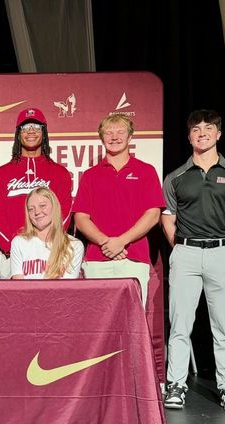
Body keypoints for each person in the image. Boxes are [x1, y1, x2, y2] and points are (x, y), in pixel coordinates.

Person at [160, 110, 225, 412]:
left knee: (223, 326)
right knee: (179, 325)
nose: (202, 133)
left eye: (208, 128)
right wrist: (183, 248)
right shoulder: (175, 177)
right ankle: (176, 384)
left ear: (218, 134)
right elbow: (168, 219)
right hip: (185, 253)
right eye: (196, 129)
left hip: (222, 254)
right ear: (189, 137)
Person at [73, 114, 165, 306]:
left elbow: (153, 214)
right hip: (98, 259)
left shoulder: (146, 171)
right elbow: (81, 219)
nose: (114, 137)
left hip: (134, 259)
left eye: (120, 132)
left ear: (130, 137)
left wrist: (121, 241)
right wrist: (106, 243)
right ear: (101, 138)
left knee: (132, 319)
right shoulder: (90, 176)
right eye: (109, 133)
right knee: (98, 319)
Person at [0, 108, 73, 278]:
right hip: (11, 254)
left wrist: (50, 243)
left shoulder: (59, 172)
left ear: (44, 132)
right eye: (25, 127)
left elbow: (64, 211)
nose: (31, 131)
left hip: (50, 251)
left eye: (36, 127)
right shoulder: (2, 173)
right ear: (18, 134)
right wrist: (12, 246)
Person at [10, 187, 83, 279]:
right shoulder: (19, 242)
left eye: (42, 206)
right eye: (31, 209)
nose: (37, 212)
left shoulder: (74, 245)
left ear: (54, 207)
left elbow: (67, 286)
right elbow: (18, 284)